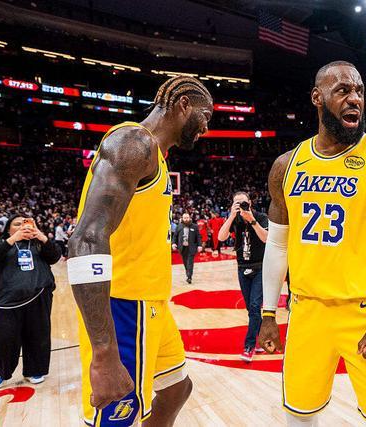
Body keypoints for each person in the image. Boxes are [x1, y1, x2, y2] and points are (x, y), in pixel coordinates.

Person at [258, 61, 366, 427]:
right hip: (306, 312)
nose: (355, 99)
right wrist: (268, 314)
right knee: (298, 416)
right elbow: (279, 245)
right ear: (317, 98)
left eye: (359, 91)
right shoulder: (286, 165)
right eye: (343, 90)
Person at [67, 76, 213, 427]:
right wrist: (104, 352)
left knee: (177, 388)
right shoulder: (134, 143)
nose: (206, 128)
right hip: (124, 306)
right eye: (205, 116)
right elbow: (85, 240)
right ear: (183, 105)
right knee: (117, 417)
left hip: (152, 303)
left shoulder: (155, 156)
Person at [0, 215, 60, 388]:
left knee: (38, 336)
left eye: (27, 223)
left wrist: (41, 236)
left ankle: (35, 370)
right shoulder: (0, 244)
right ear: (8, 229)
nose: (23, 226)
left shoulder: (38, 244)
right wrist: (13, 240)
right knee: (3, 340)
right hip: (6, 302)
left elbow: (55, 256)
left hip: (38, 297)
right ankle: (3, 372)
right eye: (17, 224)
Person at [218, 191, 268, 362]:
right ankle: (260, 340)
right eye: (237, 203)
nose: (241, 206)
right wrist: (231, 216)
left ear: (250, 203)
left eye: (243, 203)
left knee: (254, 306)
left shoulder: (261, 217)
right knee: (251, 309)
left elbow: (266, 238)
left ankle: (249, 346)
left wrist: (251, 220)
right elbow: (221, 237)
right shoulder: (235, 219)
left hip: (260, 267)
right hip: (242, 267)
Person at [171, 213, 203, 284]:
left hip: (191, 248)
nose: (186, 219)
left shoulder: (194, 226)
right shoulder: (179, 226)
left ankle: (189, 277)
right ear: (182, 218)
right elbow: (175, 236)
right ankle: (188, 273)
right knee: (185, 262)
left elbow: (198, 237)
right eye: (185, 218)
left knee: (190, 262)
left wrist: (200, 245)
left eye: (187, 218)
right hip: (182, 248)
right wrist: (173, 243)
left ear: (190, 218)